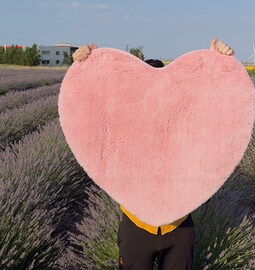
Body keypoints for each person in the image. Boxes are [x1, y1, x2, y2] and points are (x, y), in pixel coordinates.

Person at [72, 38, 233, 270]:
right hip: (137, 227)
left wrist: (215, 64)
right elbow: (92, 113)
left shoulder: (185, 127)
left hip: (179, 227)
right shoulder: (124, 127)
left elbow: (213, 110)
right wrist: (87, 65)